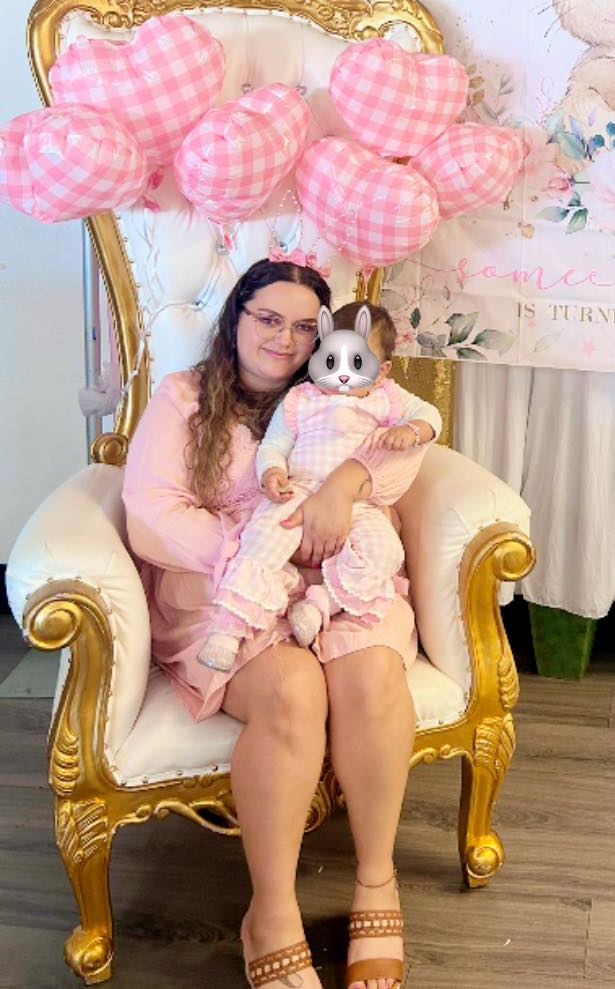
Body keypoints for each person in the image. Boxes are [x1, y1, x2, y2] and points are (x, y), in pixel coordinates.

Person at [123, 258, 433, 989]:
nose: (284, 338)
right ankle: (271, 910)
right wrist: (263, 548)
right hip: (227, 583)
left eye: (302, 325)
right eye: (267, 317)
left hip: (342, 569)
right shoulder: (184, 397)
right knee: (293, 688)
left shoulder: (341, 387)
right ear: (235, 318)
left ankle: (377, 882)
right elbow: (151, 511)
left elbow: (403, 453)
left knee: (372, 671)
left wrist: (351, 481)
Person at [197, 301, 434, 674]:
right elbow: (275, 443)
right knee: (263, 538)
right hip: (300, 489)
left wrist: (412, 430)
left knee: (385, 551)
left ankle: (323, 603)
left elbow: (430, 417)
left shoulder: (386, 398)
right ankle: (229, 629)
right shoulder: (301, 399)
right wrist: (271, 472)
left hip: (359, 504)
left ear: (380, 370)